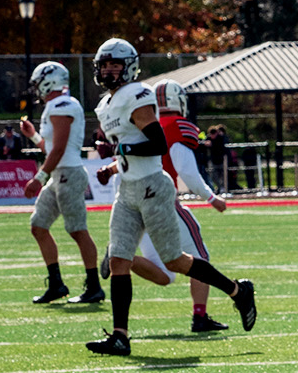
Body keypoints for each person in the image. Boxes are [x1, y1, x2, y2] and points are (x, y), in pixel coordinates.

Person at [85, 38, 256, 356]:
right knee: (120, 259)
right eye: (104, 65)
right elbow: (130, 148)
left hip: (152, 186)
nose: (108, 70)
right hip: (127, 189)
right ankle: (120, 336)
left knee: (173, 261)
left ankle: (237, 290)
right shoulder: (105, 105)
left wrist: (120, 151)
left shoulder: (136, 95)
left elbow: (156, 144)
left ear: (129, 67)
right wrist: (113, 168)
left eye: (115, 64)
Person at [98, 80, 233, 333]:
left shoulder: (138, 120)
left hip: (132, 197)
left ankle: (120, 256)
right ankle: (200, 316)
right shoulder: (175, 127)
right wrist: (211, 198)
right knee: (199, 256)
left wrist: (110, 168)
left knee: (165, 275)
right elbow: (185, 169)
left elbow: (131, 157)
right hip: (160, 199)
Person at [19, 61, 103, 305]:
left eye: (38, 84)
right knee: (38, 225)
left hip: (68, 173)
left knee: (77, 229)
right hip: (59, 174)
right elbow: (49, 147)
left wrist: (39, 177)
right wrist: (33, 135)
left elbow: (59, 149)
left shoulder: (62, 105)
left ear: (49, 80)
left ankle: (94, 286)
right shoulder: (55, 107)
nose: (36, 89)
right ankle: (56, 284)